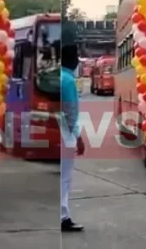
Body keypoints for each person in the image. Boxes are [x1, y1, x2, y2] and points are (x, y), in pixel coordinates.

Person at [59, 22, 86, 233]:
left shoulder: (55, 75)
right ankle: (63, 217)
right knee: (65, 178)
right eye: (76, 57)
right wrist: (78, 137)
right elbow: (71, 114)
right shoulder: (68, 80)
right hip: (65, 134)